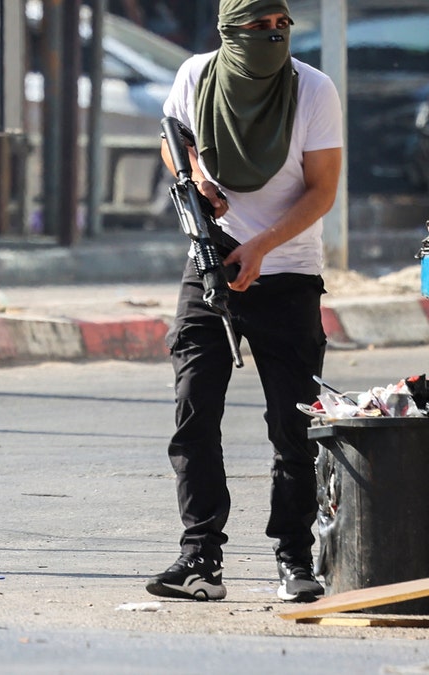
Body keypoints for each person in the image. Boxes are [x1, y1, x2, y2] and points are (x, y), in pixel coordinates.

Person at [145, 0, 342, 603]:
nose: (273, 34)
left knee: (294, 426)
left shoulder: (313, 90)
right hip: (209, 266)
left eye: (281, 24)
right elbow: (171, 143)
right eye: (258, 26)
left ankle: (294, 558)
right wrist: (201, 180)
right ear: (229, 30)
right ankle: (200, 557)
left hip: (286, 271)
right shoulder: (195, 77)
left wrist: (260, 247)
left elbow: (322, 190)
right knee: (194, 414)